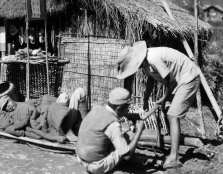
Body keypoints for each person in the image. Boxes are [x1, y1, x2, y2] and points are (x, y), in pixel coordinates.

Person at [115, 41, 200, 169]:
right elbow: (151, 81)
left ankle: (174, 158)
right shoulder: (146, 63)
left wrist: (165, 97)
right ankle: (172, 147)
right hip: (178, 80)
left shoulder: (153, 58)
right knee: (168, 111)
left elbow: (170, 79)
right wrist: (145, 101)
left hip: (188, 77)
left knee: (173, 115)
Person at [76, 87, 145, 174]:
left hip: (81, 158)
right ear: (119, 108)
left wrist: (128, 115)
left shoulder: (97, 109)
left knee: (115, 139)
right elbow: (127, 156)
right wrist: (139, 131)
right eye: (126, 109)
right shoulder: (113, 125)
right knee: (130, 135)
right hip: (96, 165)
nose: (127, 110)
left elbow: (112, 114)